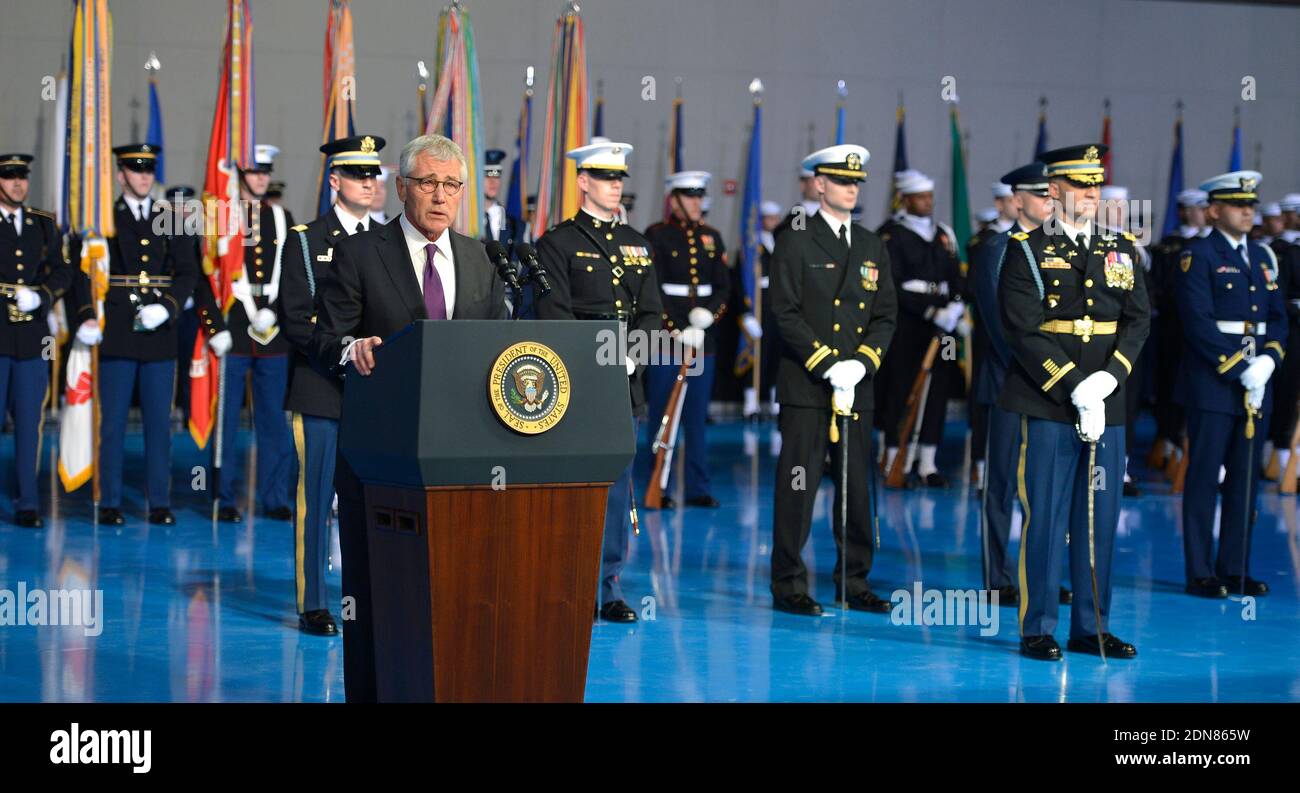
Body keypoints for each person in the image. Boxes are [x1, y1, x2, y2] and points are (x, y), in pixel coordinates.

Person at [311, 133, 507, 701]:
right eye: (427, 183)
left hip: (463, 455)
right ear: (401, 188)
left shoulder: (479, 258)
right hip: (382, 453)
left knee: (454, 591)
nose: (440, 196)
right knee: (378, 594)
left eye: (451, 185)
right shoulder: (360, 252)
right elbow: (325, 336)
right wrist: (354, 349)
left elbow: (496, 344)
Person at [999, 143, 1149, 660]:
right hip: (1048, 402)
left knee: (1099, 517)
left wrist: (1109, 380)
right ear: (1055, 190)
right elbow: (1023, 329)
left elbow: (1137, 320)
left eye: (1096, 184)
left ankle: (1092, 626)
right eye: (1081, 185)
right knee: (1047, 515)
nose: (1091, 193)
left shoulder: (1121, 248)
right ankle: (1038, 626)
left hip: (1107, 402)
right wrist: (1073, 385)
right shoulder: (1025, 251)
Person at [532, 138, 663, 623]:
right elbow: (554, 314)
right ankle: (565, 578)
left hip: (625, 386)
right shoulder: (559, 242)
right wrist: (598, 359)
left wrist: (632, 356)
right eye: (606, 178)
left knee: (616, 486)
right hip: (576, 384)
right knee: (571, 484)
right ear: (583, 181)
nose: (615, 186)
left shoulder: (638, 245)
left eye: (619, 178)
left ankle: (608, 585)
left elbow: (652, 314)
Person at [769, 144, 898, 616]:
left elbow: (886, 314)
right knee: (799, 486)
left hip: (857, 385)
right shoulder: (796, 239)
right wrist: (827, 364)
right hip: (808, 384)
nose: (851, 188)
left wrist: (862, 364)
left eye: (857, 182)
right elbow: (784, 311)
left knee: (857, 486)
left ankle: (854, 579)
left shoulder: (871, 245)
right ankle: (788, 583)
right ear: (819, 184)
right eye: (842, 181)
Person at [279, 134, 386, 637]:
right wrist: (346, 352)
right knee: (316, 499)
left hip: (374, 391)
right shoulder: (305, 239)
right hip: (321, 385)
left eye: (374, 175)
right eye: (359, 175)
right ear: (335, 180)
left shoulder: (387, 238)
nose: (370, 183)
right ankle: (314, 602)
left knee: (368, 499)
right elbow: (298, 320)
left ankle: (364, 595)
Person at [69, 143, 197, 526]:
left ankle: (159, 501)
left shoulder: (170, 216)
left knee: (160, 422)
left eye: (148, 169)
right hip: (118, 330)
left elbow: (188, 271)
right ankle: (109, 500)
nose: (144, 176)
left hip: (159, 331)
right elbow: (81, 272)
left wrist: (169, 306)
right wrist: (88, 316)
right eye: (136, 169)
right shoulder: (102, 218)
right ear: (120, 174)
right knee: (113, 423)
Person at [1174, 170, 1285, 599]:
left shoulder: (1261, 256)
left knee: (1245, 479)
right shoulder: (1197, 255)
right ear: (1215, 209)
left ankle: (1235, 568)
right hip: (1214, 382)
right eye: (1239, 205)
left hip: (1258, 381)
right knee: (1204, 477)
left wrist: (1268, 362)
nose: (1247, 211)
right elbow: (1197, 322)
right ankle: (1201, 571)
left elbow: (1277, 317)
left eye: (1251, 205)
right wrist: (1241, 367)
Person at [968, 162, 1050, 605]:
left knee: (1044, 489)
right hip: (1007, 383)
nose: (1049, 203)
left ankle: (1042, 574)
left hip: (1053, 387)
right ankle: (997, 578)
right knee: (999, 487)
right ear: (1018, 200)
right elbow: (1002, 327)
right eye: (1040, 195)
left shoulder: (1058, 248)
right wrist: (1047, 370)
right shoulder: (996, 249)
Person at [214, 143, 295, 523]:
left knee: (273, 420)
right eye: (254, 171)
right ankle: (224, 496)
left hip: (272, 328)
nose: (261, 178)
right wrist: (213, 323)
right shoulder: (223, 218)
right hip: (233, 326)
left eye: (265, 171)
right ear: (239, 175)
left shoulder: (282, 217)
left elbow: (292, 275)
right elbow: (209, 276)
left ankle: (275, 496)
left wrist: (275, 312)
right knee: (227, 420)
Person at [643, 170, 729, 508]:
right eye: (690, 196)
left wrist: (708, 317)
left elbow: (724, 286)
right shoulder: (656, 236)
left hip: (703, 340)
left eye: (699, 196)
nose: (697, 202)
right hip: (668, 339)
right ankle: (657, 482)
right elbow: (653, 289)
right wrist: (676, 326)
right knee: (662, 414)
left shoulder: (712, 237)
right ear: (674, 200)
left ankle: (698, 486)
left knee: (696, 417)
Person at [0, 153, 75, 527]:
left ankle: (27, 502)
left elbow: (64, 272)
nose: (18, 184)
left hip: (32, 337)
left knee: (30, 423)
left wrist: (42, 296)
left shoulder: (43, 224)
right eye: (10, 177)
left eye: (22, 177)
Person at [876, 169, 964, 487]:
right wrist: (928, 309)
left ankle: (927, 461)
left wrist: (955, 304)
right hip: (908, 323)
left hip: (943, 324)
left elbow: (955, 275)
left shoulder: (944, 235)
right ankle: (893, 455)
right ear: (905, 199)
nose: (927, 202)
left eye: (930, 197)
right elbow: (891, 285)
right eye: (921, 197)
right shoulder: (891, 235)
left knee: (937, 390)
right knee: (901, 388)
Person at [967, 181, 1018, 489]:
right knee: (989, 406)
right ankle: (984, 467)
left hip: (1026, 347)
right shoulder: (988, 243)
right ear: (1001, 204)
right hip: (993, 340)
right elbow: (981, 293)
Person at [736, 200, 785, 421]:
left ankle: (775, 404)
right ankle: (751, 404)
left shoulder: (782, 243)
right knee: (756, 355)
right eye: (767, 218)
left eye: (775, 218)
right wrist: (746, 311)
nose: (772, 222)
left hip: (779, 305)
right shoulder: (751, 246)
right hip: (759, 305)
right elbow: (742, 281)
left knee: (777, 354)